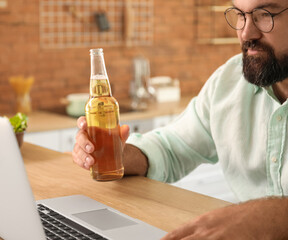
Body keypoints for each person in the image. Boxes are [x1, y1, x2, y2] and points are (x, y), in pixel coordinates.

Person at [72, 0, 288, 238]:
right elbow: (172, 147)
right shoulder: (228, 82)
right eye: (240, 15)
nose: (246, 32)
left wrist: (269, 217)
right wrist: (122, 155)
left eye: (264, 14)